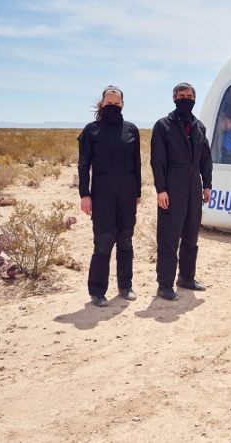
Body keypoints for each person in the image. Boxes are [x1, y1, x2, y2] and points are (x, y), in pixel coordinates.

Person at [78, 86, 141, 307]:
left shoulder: (131, 130)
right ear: (102, 104)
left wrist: (138, 193)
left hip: (127, 194)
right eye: (109, 103)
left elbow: (137, 163)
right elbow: (84, 165)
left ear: (122, 104)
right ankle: (97, 290)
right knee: (104, 241)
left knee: (125, 239)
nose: (113, 106)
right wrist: (85, 194)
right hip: (102, 194)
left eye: (117, 103)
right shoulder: (91, 131)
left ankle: (126, 285)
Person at [150, 82, 213, 301]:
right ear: (174, 99)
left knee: (190, 234)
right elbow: (157, 161)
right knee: (169, 236)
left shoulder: (199, 126)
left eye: (189, 95)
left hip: (193, 185)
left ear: (194, 99)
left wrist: (207, 185)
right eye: (181, 95)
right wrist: (161, 190)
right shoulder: (163, 125)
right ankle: (165, 284)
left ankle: (186, 277)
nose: (185, 98)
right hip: (172, 185)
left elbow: (206, 158)